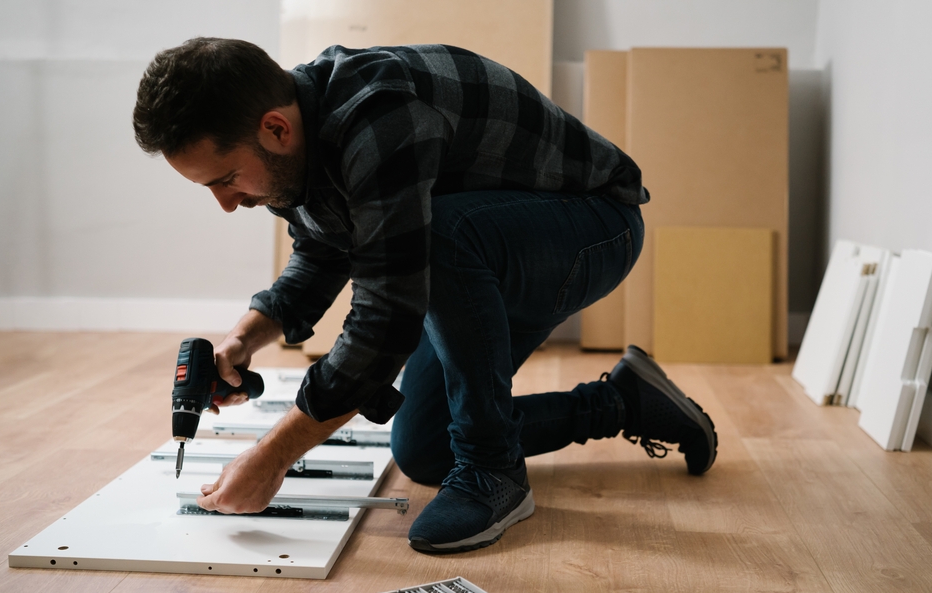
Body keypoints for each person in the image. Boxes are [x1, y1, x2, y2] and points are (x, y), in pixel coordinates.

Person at [133, 37, 718, 553]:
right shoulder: (295, 143)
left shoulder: (377, 119)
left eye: (226, 179)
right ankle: (624, 402)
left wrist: (274, 456)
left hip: (594, 229)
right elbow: (321, 249)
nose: (227, 203)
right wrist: (245, 337)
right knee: (427, 449)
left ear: (276, 129)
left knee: (439, 240)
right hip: (485, 258)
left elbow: (388, 314)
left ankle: (496, 475)